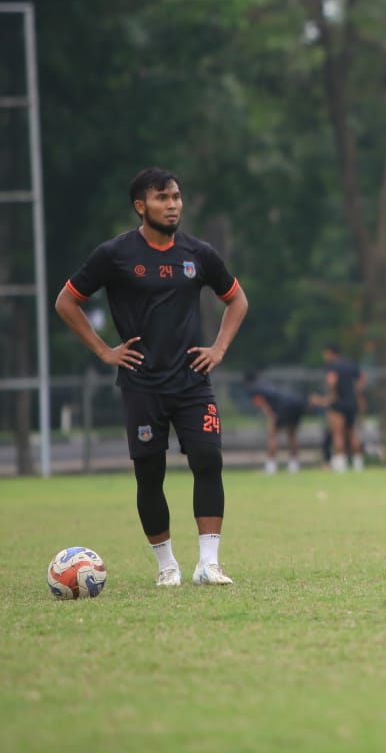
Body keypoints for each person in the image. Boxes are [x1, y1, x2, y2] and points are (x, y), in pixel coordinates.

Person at [54, 167, 248, 587]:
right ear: (141, 207)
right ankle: (167, 567)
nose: (173, 204)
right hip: (142, 385)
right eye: (163, 198)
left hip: (193, 382)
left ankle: (208, 564)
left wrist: (218, 349)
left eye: (176, 196)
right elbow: (67, 302)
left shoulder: (199, 254)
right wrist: (106, 350)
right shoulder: (114, 255)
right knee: (149, 473)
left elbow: (237, 300)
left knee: (208, 460)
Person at [244, 371, 307, 474]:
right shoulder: (265, 384)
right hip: (296, 403)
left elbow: (262, 403)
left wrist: (270, 416)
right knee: (292, 435)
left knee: (272, 435)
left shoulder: (253, 388)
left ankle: (271, 466)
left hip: (283, 407)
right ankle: (294, 465)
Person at [320, 345, 367, 472]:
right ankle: (358, 464)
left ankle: (341, 463)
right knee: (352, 433)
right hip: (351, 403)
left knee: (338, 433)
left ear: (331, 353)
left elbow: (332, 383)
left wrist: (330, 397)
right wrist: (356, 392)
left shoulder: (333, 367)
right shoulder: (351, 365)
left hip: (338, 403)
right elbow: (362, 378)